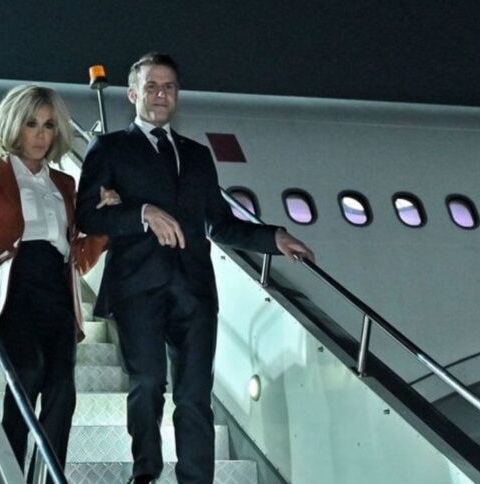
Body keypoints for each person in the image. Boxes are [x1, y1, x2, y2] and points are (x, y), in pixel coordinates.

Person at [76, 53, 314, 484]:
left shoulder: (198, 155)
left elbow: (218, 222)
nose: (160, 95)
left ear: (177, 95)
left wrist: (272, 238)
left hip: (195, 291)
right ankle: (146, 473)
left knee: (194, 395)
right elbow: (88, 216)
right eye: (151, 86)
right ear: (132, 94)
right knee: (148, 384)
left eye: (168, 87)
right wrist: (143, 213)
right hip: (137, 288)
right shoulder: (109, 148)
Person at [0, 84, 115, 481]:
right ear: (13, 126)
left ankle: (47, 478)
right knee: (28, 370)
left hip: (57, 292)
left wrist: (106, 224)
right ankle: (9, 470)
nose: (41, 135)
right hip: (12, 289)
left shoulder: (65, 184)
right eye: (31, 124)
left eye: (48, 125)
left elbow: (78, 257)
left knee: (62, 393)